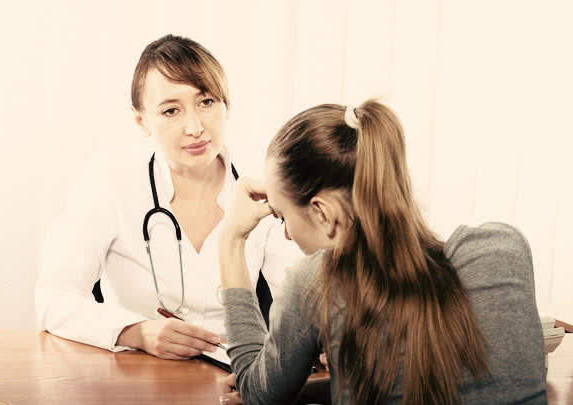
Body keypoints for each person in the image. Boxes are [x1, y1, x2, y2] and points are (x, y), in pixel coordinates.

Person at [217, 100, 547, 404]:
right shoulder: (504, 249)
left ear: (322, 212)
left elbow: (257, 392)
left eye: (281, 216)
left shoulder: (317, 282)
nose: (286, 234)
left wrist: (231, 239)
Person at [35, 35, 301, 359]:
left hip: (234, 377)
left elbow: (298, 298)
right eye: (171, 111)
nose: (194, 127)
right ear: (142, 121)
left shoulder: (263, 184)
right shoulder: (110, 178)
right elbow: (53, 299)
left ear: (226, 105)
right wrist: (137, 332)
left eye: (206, 102)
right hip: (135, 375)